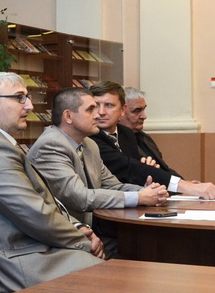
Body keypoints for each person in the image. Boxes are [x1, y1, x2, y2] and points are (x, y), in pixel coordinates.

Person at [0, 72, 104, 293]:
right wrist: (82, 241)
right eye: (19, 98)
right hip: (19, 261)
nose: (29, 106)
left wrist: (78, 227)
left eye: (27, 97)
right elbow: (35, 214)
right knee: (107, 277)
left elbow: (44, 203)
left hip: (31, 245)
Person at [28, 87, 168, 224]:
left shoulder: (90, 145)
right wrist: (139, 197)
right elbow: (80, 198)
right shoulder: (50, 145)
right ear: (68, 116)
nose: (97, 115)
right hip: (64, 231)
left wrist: (148, 192)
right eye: (90, 109)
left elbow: (113, 186)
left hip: (91, 226)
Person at [88, 81, 215, 199]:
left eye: (109, 105)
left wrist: (148, 180)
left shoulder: (127, 134)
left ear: (123, 110)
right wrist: (186, 187)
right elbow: (128, 168)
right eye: (95, 106)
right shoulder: (89, 137)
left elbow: (133, 176)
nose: (101, 112)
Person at [120, 87, 181, 177]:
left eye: (143, 109)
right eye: (137, 111)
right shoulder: (116, 142)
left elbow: (164, 169)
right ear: (120, 112)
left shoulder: (145, 138)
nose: (144, 116)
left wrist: (185, 182)